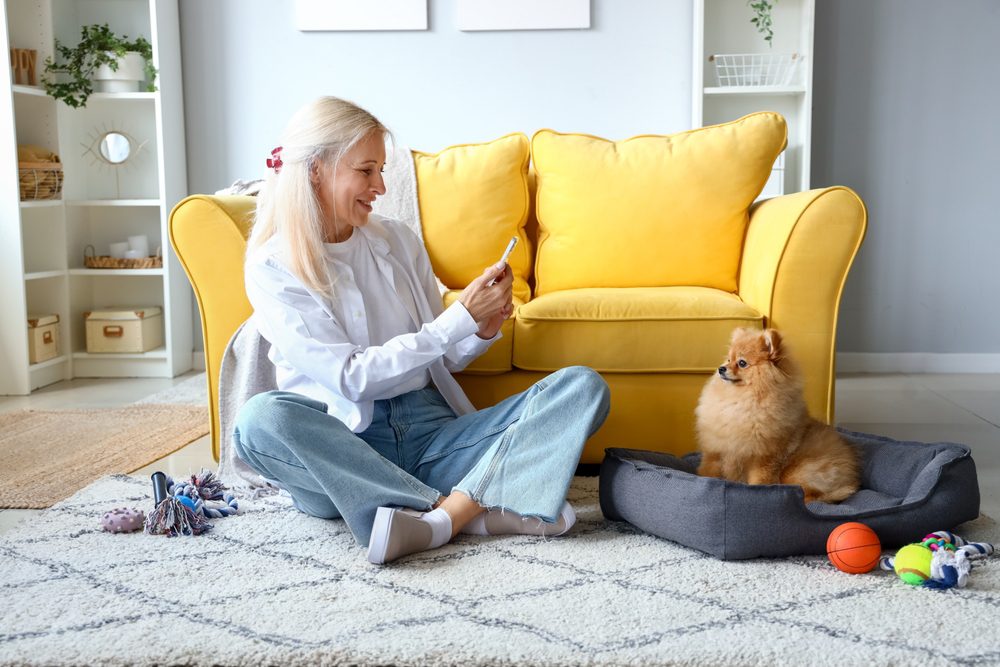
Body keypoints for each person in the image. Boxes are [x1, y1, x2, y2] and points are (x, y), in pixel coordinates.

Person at [233, 96, 610, 565]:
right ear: (316, 169)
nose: (380, 186)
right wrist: (455, 320)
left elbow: (442, 358)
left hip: (434, 436)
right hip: (344, 453)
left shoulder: (396, 240)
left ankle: (437, 519)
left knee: (581, 387)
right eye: (366, 171)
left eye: (382, 171)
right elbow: (351, 378)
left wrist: (481, 328)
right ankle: (466, 510)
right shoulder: (272, 266)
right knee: (259, 421)